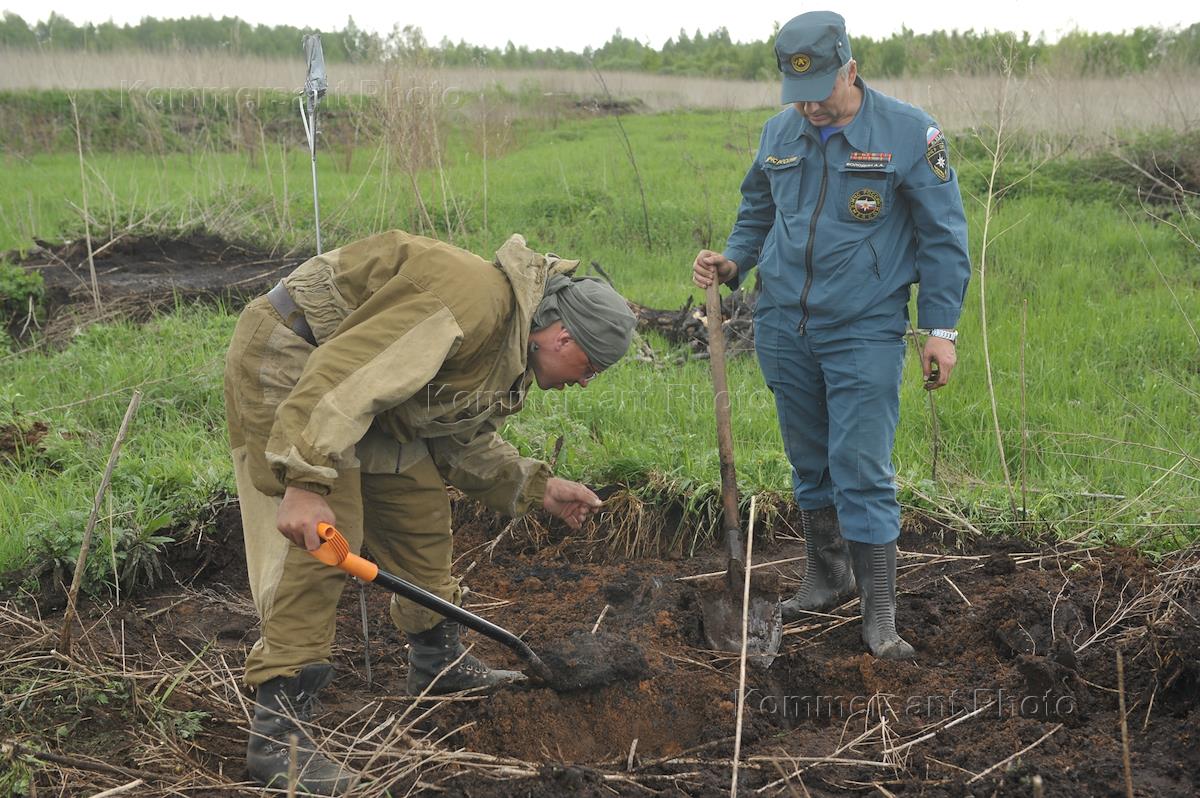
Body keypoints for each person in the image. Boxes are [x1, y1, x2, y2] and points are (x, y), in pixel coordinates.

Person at [224, 229, 636, 793]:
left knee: (418, 513)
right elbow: (344, 377)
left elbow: (451, 433)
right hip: (299, 361)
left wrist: (535, 485)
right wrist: (305, 480)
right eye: (590, 368)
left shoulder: (507, 346)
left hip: (365, 393)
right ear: (563, 337)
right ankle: (280, 737)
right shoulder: (469, 302)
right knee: (324, 538)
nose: (585, 384)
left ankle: (438, 663)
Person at [692, 11, 970, 662]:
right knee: (810, 462)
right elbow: (757, 211)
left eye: (821, 90)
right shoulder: (779, 132)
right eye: (798, 94)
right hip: (783, 321)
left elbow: (943, 238)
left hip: (864, 327)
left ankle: (879, 617)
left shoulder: (908, 133)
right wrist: (734, 262)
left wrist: (941, 329)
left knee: (862, 469)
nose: (810, 107)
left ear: (850, 67)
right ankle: (827, 576)